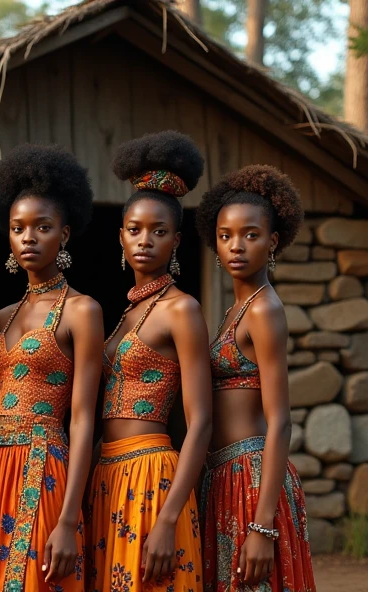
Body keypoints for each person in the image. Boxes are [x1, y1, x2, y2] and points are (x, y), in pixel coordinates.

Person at [0, 144, 102, 592]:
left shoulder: (82, 310)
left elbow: (82, 419)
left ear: (63, 234)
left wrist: (68, 517)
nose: (29, 237)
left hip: (41, 469)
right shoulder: (2, 316)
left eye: (42, 227)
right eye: (18, 227)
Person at [86, 131, 213, 592]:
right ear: (120, 237)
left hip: (152, 477)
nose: (145, 240)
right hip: (107, 474)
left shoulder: (182, 309)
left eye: (159, 232)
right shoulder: (127, 311)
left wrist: (170, 517)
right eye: (135, 230)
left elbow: (200, 423)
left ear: (176, 241)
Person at [194, 165, 316, 592]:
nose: (236, 246)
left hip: (253, 479)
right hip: (222, 476)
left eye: (250, 235)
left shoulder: (265, 309)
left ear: (273, 241)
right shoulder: (234, 311)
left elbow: (279, 420)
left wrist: (263, 527)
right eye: (225, 236)